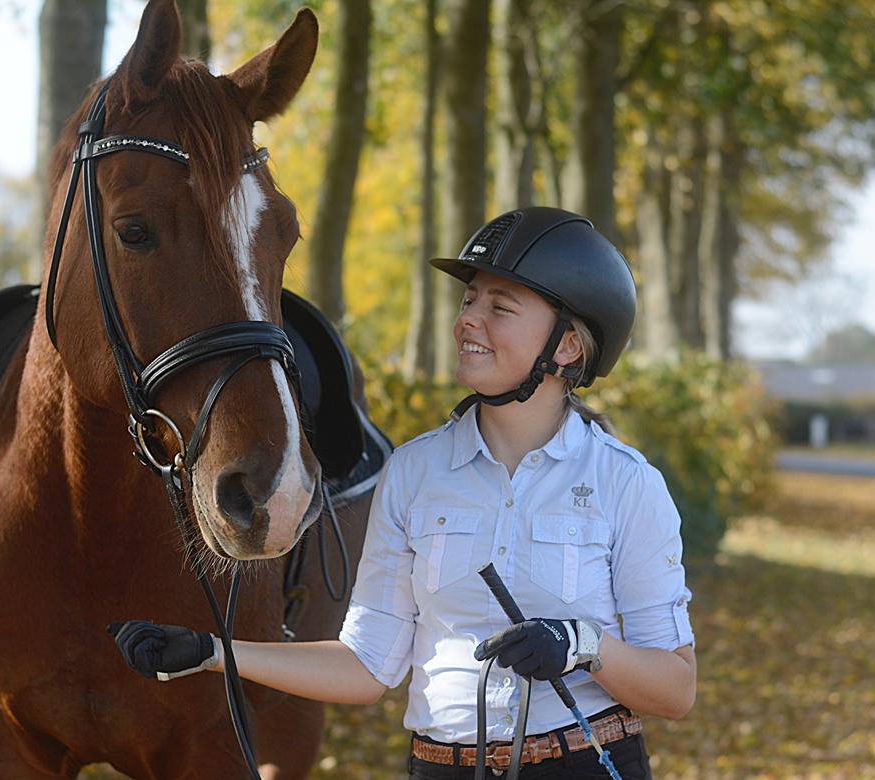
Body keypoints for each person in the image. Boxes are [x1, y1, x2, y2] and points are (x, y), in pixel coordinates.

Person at [110, 207, 696, 778]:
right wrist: (213, 654)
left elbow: (675, 691)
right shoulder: (412, 473)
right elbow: (367, 666)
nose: (469, 319)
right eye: (469, 300)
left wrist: (582, 644)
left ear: (566, 346)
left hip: (583, 766)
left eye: (501, 307)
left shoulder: (627, 482)